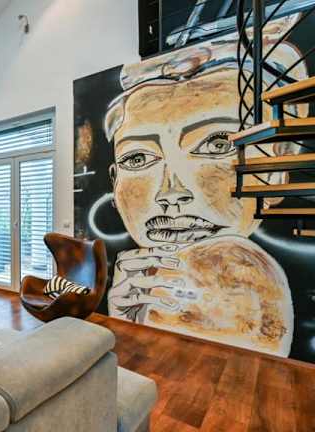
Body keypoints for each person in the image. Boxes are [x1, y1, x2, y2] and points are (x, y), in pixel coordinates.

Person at [103, 16, 308, 356]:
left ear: (277, 164)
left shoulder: (264, 295)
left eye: (216, 144)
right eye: (138, 158)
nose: (171, 192)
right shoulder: (133, 292)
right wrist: (125, 326)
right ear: (115, 182)